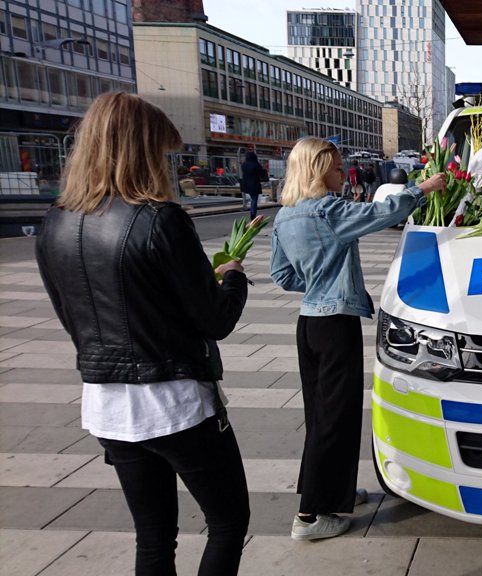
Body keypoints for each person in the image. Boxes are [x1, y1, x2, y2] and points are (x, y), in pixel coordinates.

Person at [34, 93, 250, 575]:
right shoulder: (159, 219)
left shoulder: (56, 221)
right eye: (163, 153)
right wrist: (232, 276)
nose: (168, 166)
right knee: (228, 521)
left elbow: (74, 317)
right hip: (174, 403)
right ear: (142, 150)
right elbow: (216, 320)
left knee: (154, 537)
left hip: (106, 405)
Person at [270, 137, 445, 541]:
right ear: (316, 171)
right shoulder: (329, 211)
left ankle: (335, 493)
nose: (342, 176)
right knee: (336, 418)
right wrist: (421, 189)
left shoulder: (285, 216)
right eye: (334, 169)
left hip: (309, 324)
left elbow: (282, 276)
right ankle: (309, 516)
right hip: (336, 324)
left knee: (321, 415)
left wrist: (317, 285)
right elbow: (379, 214)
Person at [240, 151, 267, 220]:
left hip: (246, 184)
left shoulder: (244, 164)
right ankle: (253, 214)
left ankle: (252, 212)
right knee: (254, 199)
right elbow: (261, 173)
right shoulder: (255, 164)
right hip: (254, 184)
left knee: (252, 198)